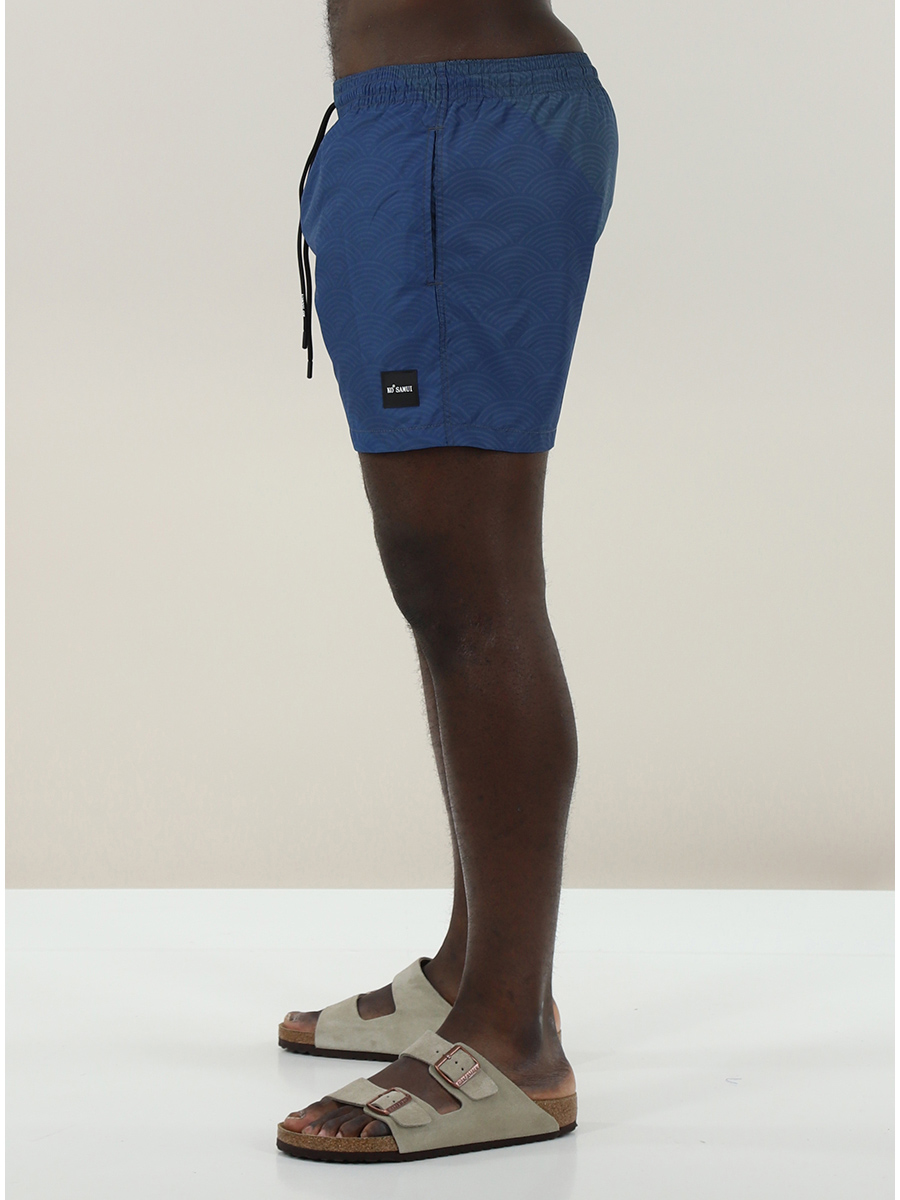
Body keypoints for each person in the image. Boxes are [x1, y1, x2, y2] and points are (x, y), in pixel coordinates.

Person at [277, 0, 617, 1163]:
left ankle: (511, 1038)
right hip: (412, 124)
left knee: (470, 579)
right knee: (442, 579)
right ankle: (476, 973)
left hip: (454, 133)